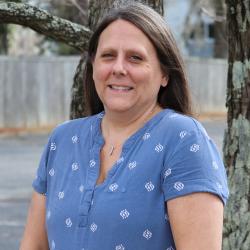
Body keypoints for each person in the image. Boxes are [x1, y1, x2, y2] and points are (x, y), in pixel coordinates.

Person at [20, 3, 229, 250]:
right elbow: (33, 246)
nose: (118, 68)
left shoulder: (183, 140)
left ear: (164, 74)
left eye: (135, 58)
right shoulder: (62, 140)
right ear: (94, 67)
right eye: (108, 56)